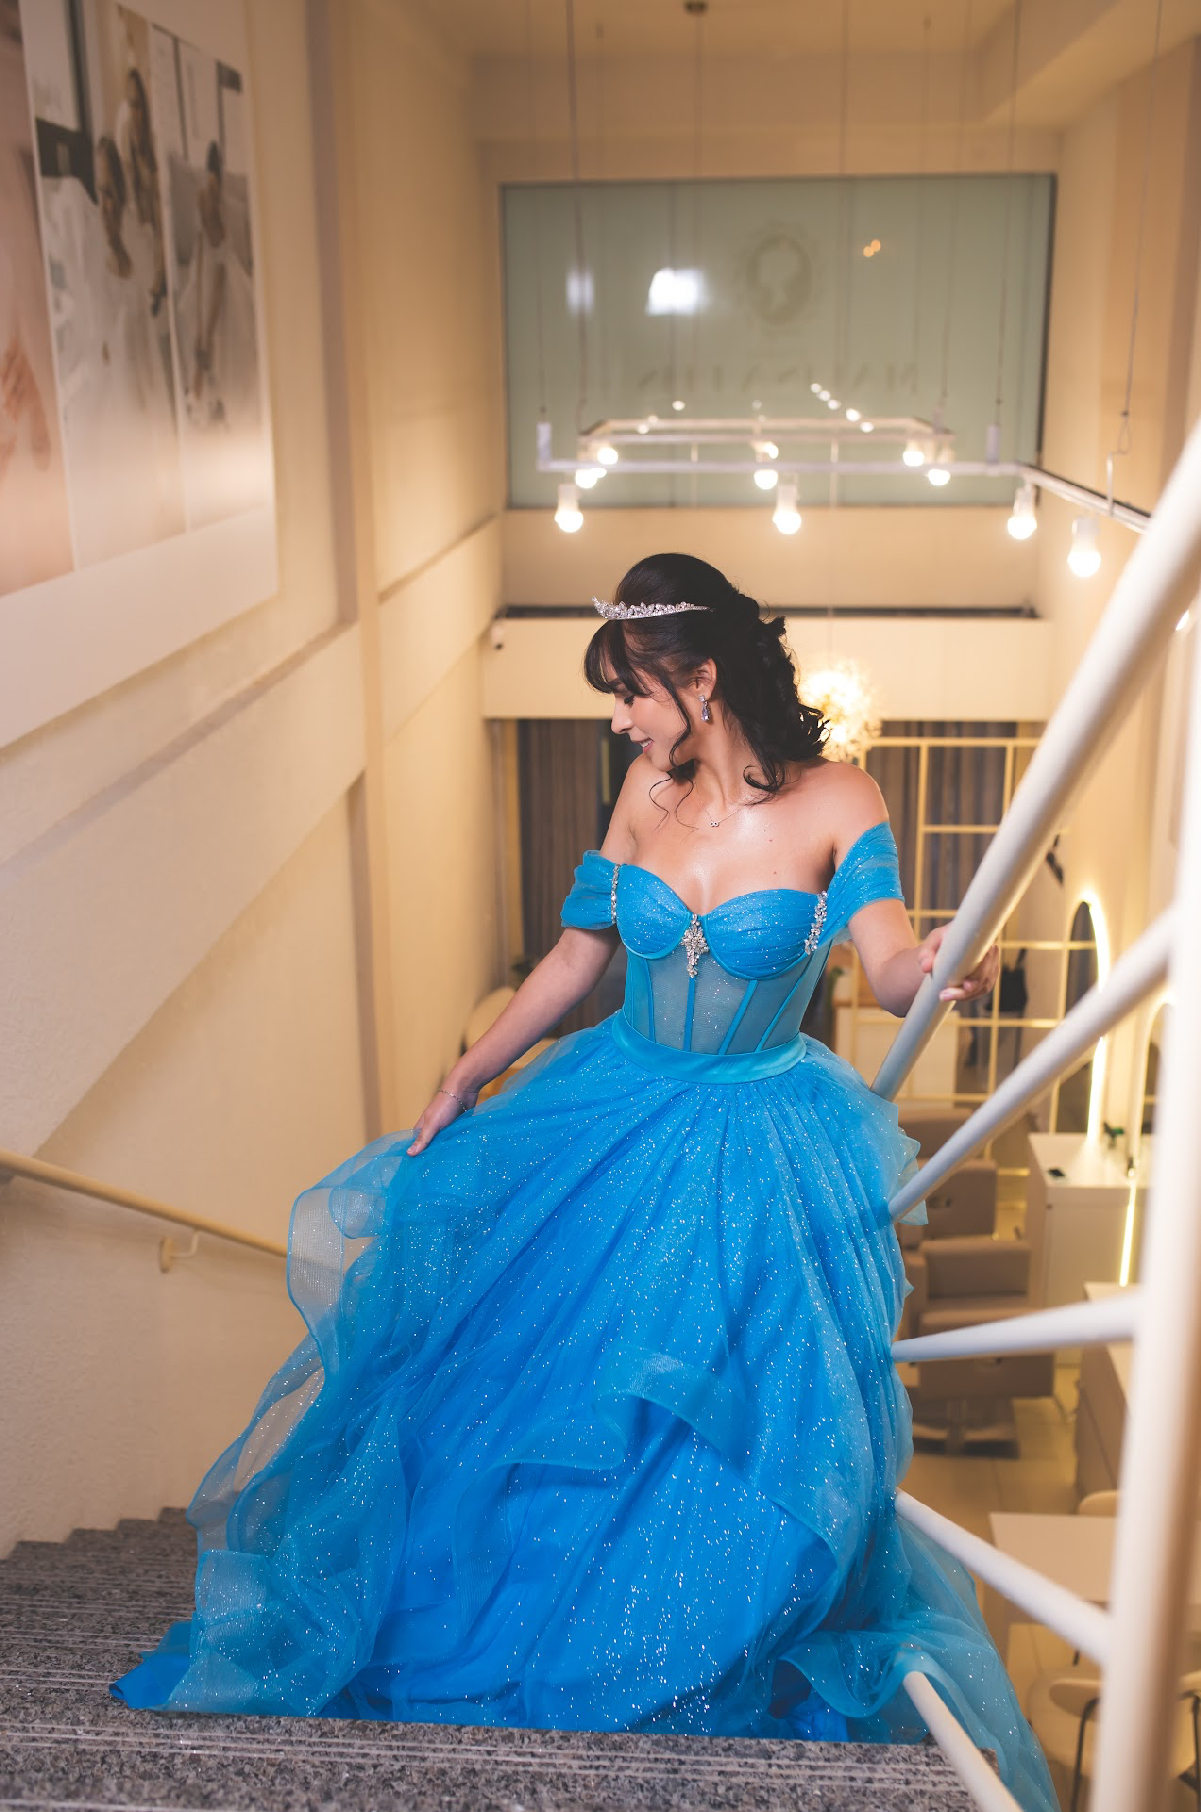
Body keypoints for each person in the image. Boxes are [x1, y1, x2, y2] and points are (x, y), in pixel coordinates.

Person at [112, 553, 1056, 1812]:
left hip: (757, 1136)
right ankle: (537, 1602)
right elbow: (574, 960)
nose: (618, 719)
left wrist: (935, 965)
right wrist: (468, 1072)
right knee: (535, 1379)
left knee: (710, 1402)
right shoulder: (641, 792)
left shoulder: (841, 798)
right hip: (615, 1105)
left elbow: (886, 970)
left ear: (701, 679)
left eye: (630, 693)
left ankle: (683, 1636)